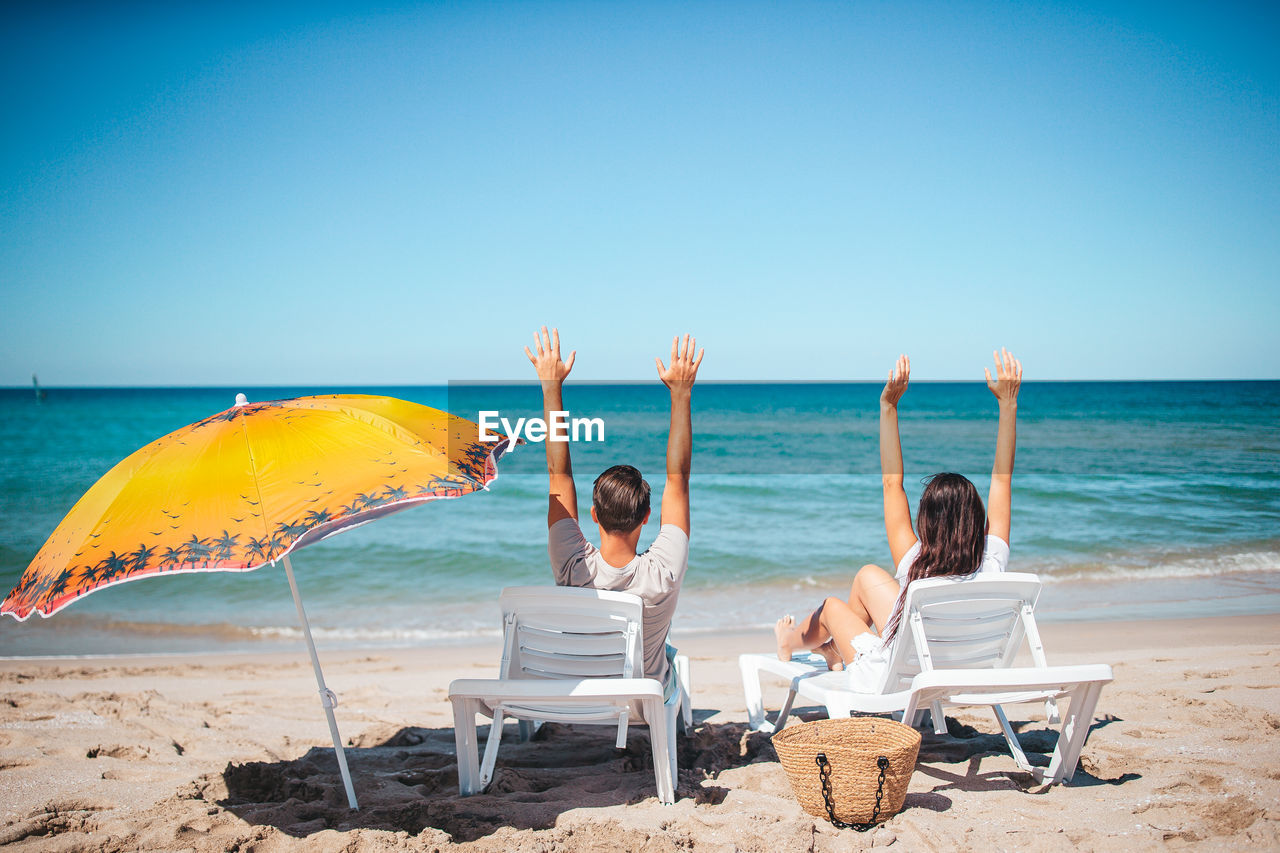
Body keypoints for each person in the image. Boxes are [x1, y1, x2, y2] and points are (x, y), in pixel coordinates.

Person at [774, 349, 1024, 689]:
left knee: (832, 607)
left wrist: (888, 407)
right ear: (976, 517)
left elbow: (892, 483)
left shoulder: (913, 565)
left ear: (927, 520)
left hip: (901, 676)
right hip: (961, 666)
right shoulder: (993, 560)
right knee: (868, 576)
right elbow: (1002, 480)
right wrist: (1008, 406)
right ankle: (831, 649)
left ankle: (791, 641)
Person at [526, 327, 703, 691]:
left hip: (579, 691)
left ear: (593, 515)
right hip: (641, 697)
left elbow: (558, 476)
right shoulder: (662, 573)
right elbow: (678, 479)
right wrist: (681, 394)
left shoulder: (575, 566)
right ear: (646, 517)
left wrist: (550, 386)